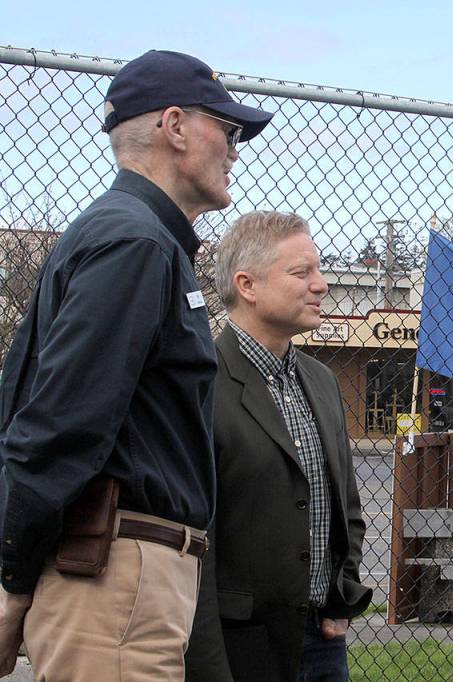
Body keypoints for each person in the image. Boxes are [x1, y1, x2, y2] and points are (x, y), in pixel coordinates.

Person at [0, 49, 272, 679]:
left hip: (123, 577)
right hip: (113, 576)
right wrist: (14, 581)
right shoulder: (135, 242)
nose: (236, 148)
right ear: (174, 127)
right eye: (227, 130)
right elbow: (58, 425)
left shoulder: (136, 238)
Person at [185, 211, 371, 682]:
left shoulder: (323, 381)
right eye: (301, 272)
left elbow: (345, 505)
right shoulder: (198, 384)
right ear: (247, 285)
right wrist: (205, 658)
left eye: (320, 269)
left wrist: (341, 592)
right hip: (238, 646)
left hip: (324, 641)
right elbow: (191, 538)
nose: (321, 284)